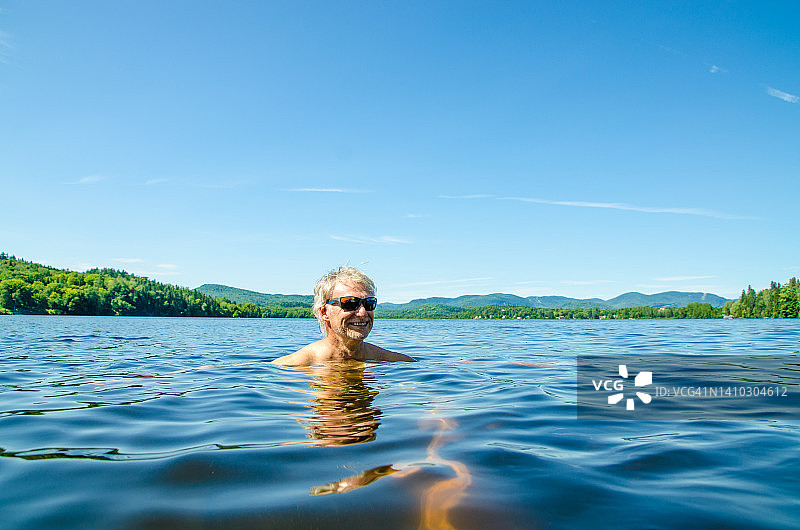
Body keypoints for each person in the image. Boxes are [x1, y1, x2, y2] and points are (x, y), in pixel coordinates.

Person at [271, 266, 416, 365]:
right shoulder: (293, 366)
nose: (362, 312)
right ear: (324, 312)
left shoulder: (392, 362)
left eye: (369, 303)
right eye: (350, 303)